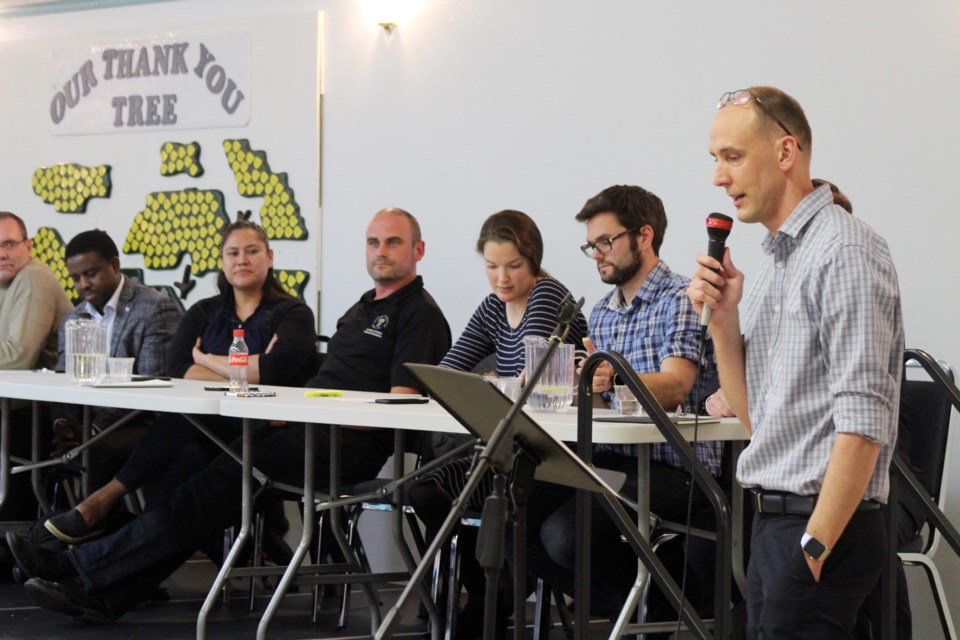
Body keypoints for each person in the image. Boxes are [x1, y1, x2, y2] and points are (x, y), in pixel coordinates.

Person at [7, 207, 451, 623]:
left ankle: (81, 565)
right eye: (373, 242)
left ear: (418, 250)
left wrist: (308, 411)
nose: (381, 252)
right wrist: (295, 410)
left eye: (393, 242)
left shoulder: (418, 314)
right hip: (300, 430)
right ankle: (102, 591)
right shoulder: (363, 307)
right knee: (193, 479)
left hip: (341, 447)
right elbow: (183, 364)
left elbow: (400, 408)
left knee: (202, 491)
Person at [688, 86, 903, 639]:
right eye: (715, 159)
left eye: (732, 157)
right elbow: (757, 417)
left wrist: (816, 543)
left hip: (818, 529)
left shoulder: (843, 252)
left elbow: (864, 422)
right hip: (773, 526)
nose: (718, 176)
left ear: (786, 153)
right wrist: (724, 321)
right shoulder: (778, 264)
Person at [41, 220, 317, 544]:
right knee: (186, 453)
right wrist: (244, 367)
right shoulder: (204, 311)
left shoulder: (293, 313)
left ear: (269, 257)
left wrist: (204, 360)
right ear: (222, 261)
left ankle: (99, 512)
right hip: (206, 426)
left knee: (181, 443)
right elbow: (176, 368)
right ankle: (96, 549)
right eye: (233, 252)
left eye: (252, 251)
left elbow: (272, 370)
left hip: (258, 429)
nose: (242, 259)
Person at [523, 184, 720, 616]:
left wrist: (612, 378)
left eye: (606, 242)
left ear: (643, 237)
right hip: (615, 462)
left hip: (676, 469)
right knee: (515, 523)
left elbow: (677, 384)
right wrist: (577, 386)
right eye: (591, 245)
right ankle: (652, 607)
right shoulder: (603, 312)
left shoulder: (683, 299)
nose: (597, 254)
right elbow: (604, 397)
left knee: (563, 537)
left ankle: (667, 604)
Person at [407, 209, 588, 637]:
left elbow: (536, 378)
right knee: (426, 491)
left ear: (533, 262)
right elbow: (450, 371)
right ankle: (492, 591)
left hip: (548, 454)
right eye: (491, 267)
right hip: (507, 448)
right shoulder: (494, 307)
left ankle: (496, 598)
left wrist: (493, 380)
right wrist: (489, 380)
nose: (501, 278)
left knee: (467, 488)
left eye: (513, 266)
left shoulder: (547, 298)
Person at [49, 229, 182, 493]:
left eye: (91, 273)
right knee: (26, 432)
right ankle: (43, 524)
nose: (83, 284)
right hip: (83, 424)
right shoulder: (72, 320)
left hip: (139, 425)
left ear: (115, 265)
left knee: (96, 449)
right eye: (75, 278)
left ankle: (94, 526)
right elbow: (61, 381)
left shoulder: (155, 308)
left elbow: (151, 384)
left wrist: (93, 431)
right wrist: (65, 427)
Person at [0, 211, 72, 523]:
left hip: (43, 415)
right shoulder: (7, 283)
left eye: (9, 243)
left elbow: (18, 356)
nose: (2, 253)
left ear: (28, 245)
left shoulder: (33, 277)